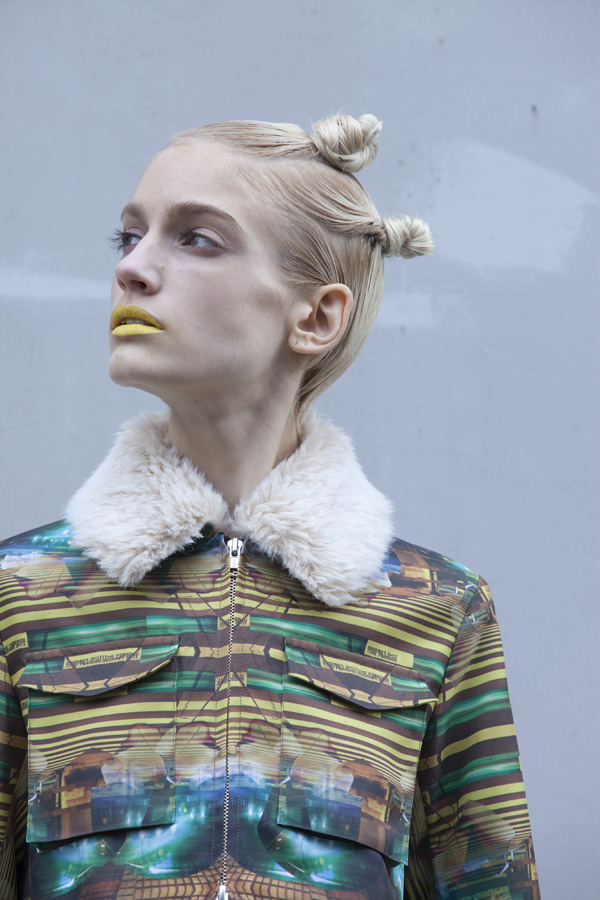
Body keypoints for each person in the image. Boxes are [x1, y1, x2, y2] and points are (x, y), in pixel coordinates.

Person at [0, 114, 539, 900]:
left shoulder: (440, 610)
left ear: (317, 316)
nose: (133, 269)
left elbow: (491, 882)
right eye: (129, 237)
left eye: (197, 239)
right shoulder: (21, 593)